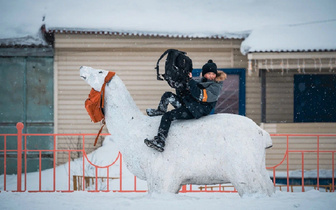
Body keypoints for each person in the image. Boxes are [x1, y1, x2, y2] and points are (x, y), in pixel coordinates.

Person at [144, 60, 227, 152]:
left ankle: (160, 141)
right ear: (204, 74)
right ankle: (160, 110)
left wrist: (190, 82)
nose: (211, 76)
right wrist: (180, 83)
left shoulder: (215, 87)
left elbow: (199, 95)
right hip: (190, 105)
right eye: (208, 73)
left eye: (213, 74)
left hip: (196, 111)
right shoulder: (201, 82)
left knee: (168, 116)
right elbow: (186, 93)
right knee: (168, 95)